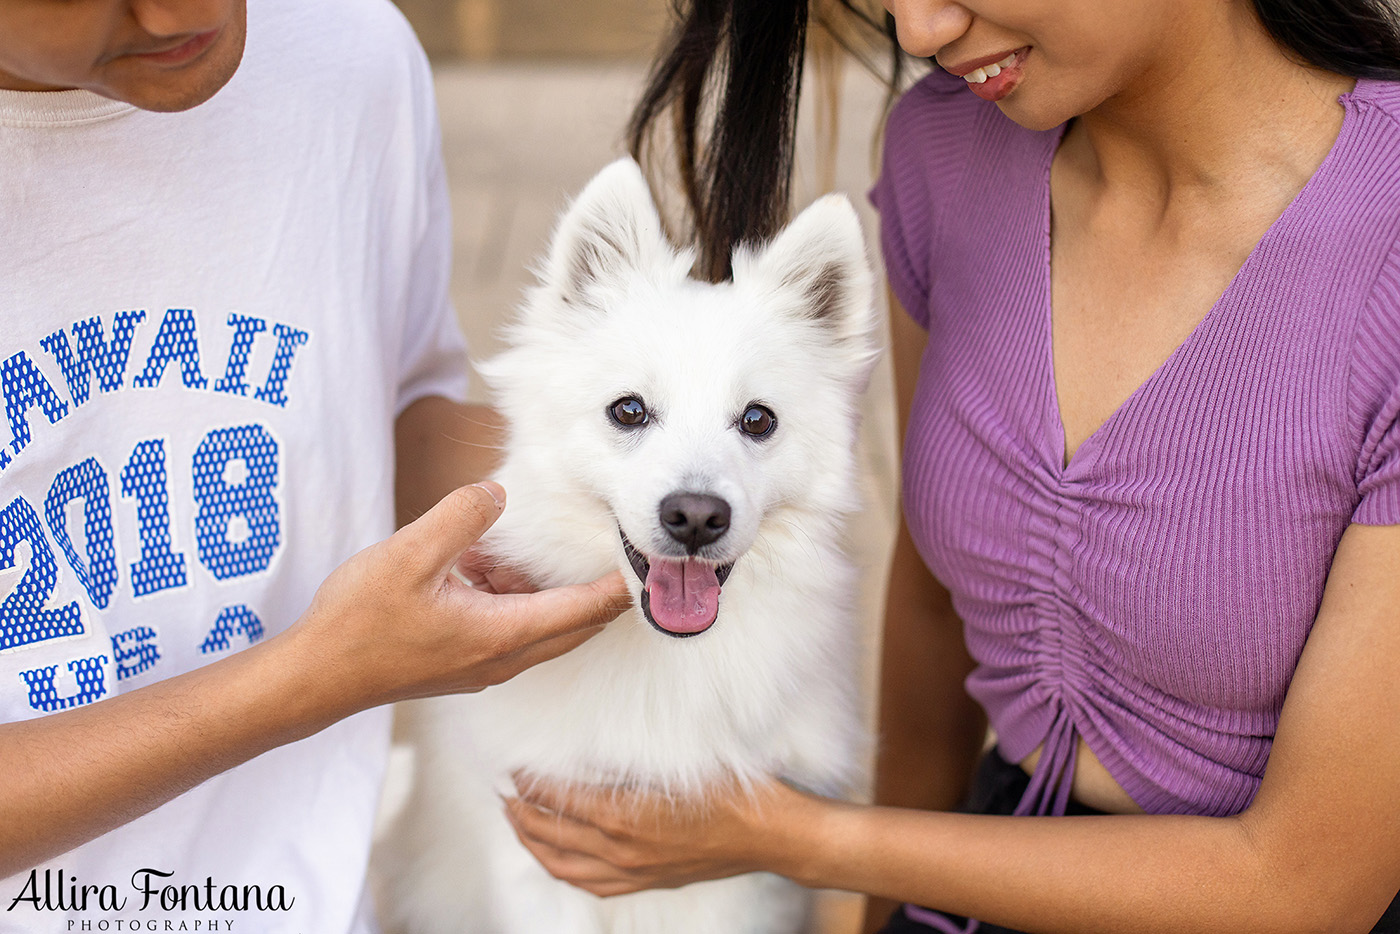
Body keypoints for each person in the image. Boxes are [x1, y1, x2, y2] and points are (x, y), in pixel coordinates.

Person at [498, 1, 1400, 932]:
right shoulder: (950, 149)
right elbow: (938, 590)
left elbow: (1307, 890)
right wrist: (884, 909)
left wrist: (797, 838)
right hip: (978, 869)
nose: (921, 30)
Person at [0, 1, 630, 931]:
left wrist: (636, 466)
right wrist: (323, 675)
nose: (183, 10)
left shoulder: (347, 55)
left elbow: (394, 419)